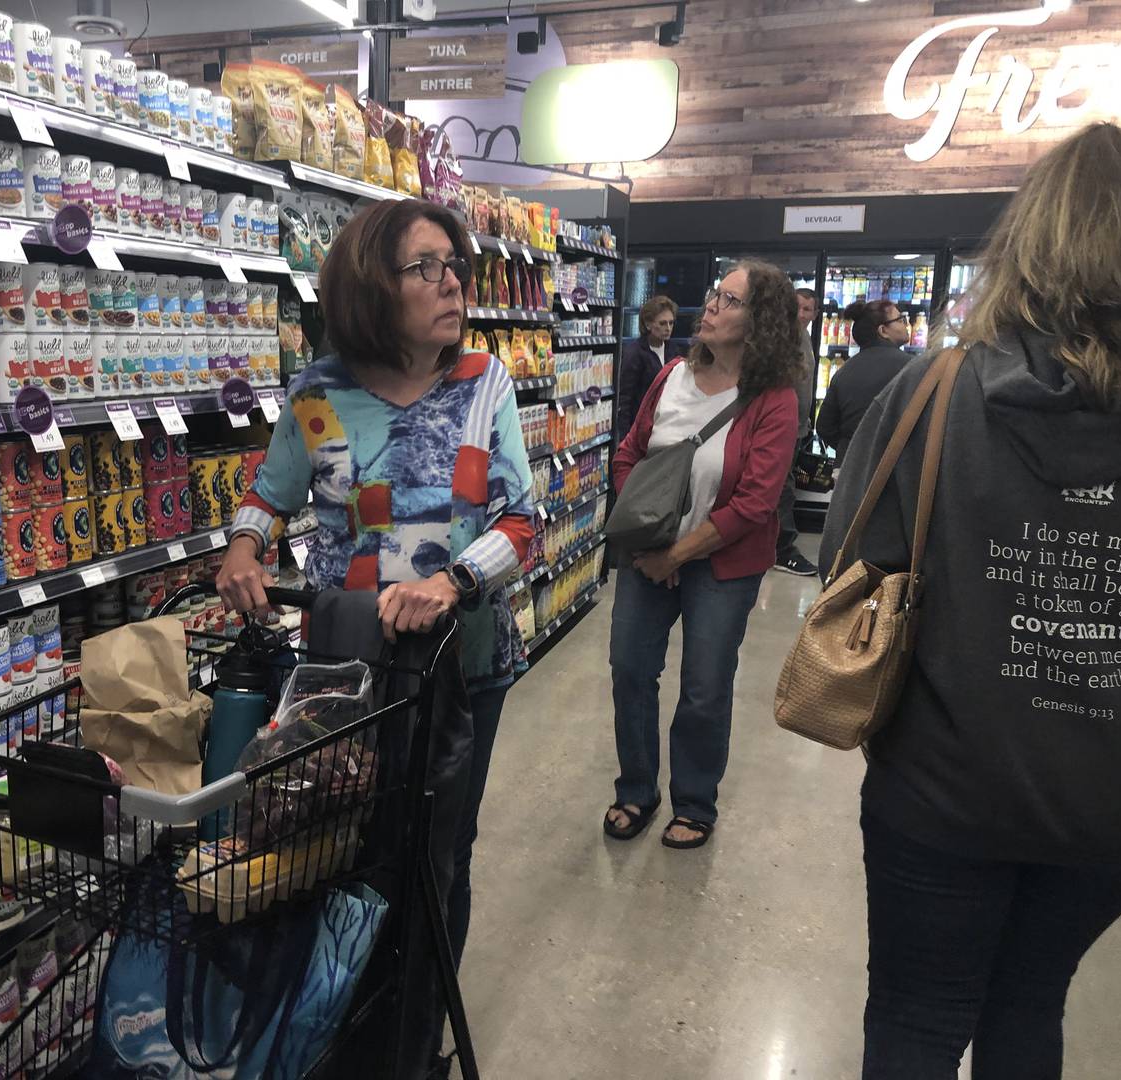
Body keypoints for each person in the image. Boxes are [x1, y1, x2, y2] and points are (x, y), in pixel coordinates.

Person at [819, 122, 1121, 1080]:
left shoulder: (937, 390)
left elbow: (850, 555)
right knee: (1031, 1006)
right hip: (1116, 804)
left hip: (940, 789)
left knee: (917, 1022)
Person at [214, 199, 535, 977]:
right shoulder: (319, 393)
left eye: (455, 264)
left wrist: (452, 580)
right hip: (347, 667)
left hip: (466, 660)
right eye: (427, 267)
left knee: (440, 846)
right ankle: (347, 1008)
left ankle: (416, 1025)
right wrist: (244, 546)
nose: (452, 281)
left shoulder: (484, 381)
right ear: (369, 287)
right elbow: (271, 492)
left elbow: (522, 520)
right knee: (339, 835)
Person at [604, 260, 803, 849]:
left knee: (705, 685)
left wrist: (678, 555)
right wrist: (647, 536)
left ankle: (695, 800)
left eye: (730, 300)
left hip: (722, 566)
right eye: (715, 294)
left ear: (760, 321)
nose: (712, 305)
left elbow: (755, 504)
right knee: (630, 671)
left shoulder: (775, 401)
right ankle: (636, 788)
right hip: (650, 557)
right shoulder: (670, 377)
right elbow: (628, 455)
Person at [815, 297, 913, 468]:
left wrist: (850, 445)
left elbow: (824, 427)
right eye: (900, 320)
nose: (906, 324)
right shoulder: (912, 368)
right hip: (893, 466)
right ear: (883, 330)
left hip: (849, 466)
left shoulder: (843, 371)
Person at [774, 286, 819, 576]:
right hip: (782, 428)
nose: (801, 314)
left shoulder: (804, 337)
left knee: (783, 487)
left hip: (797, 428)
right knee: (782, 489)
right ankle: (782, 549)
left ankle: (776, 545)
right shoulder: (783, 338)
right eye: (797, 307)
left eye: (807, 309)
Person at [616, 295, 679, 437]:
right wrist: (625, 438)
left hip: (667, 425)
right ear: (648, 324)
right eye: (662, 323)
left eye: (671, 323)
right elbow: (625, 398)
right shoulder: (634, 353)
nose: (668, 328)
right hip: (640, 429)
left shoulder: (673, 350)